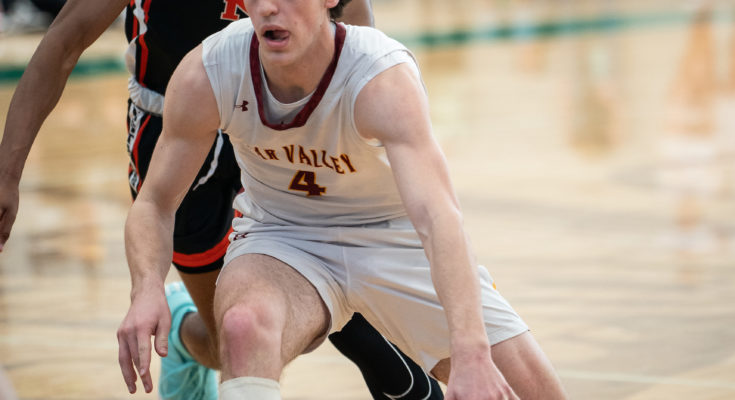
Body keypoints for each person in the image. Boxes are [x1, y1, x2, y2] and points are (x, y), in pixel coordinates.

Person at [118, 0, 569, 398]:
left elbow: (438, 217)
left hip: (394, 238)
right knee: (242, 327)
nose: (270, 8)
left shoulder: (380, 77)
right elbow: (154, 203)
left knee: (528, 391)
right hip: (284, 236)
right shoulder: (210, 69)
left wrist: (471, 352)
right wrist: (146, 287)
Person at [0, 0, 444, 399]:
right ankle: (182, 333)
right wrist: (7, 174)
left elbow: (354, 28)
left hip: (281, 120)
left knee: (353, 316)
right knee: (229, 343)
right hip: (176, 128)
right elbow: (64, 41)